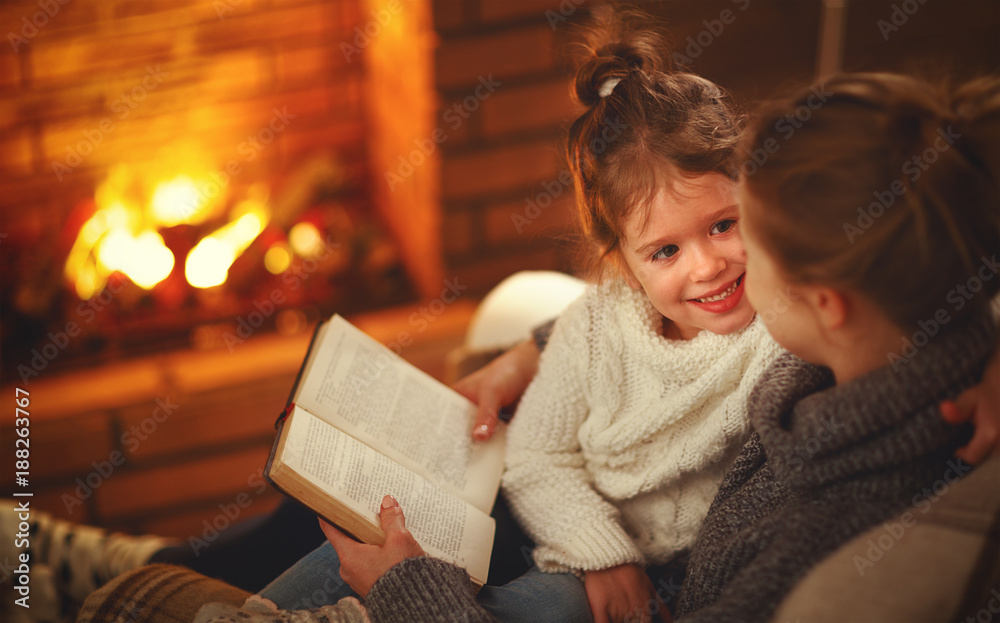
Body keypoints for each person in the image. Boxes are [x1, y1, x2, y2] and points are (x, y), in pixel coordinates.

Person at [188, 69, 999, 623]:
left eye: (742, 232)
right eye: (667, 250)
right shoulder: (880, 343)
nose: (725, 265)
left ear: (823, 299)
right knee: (338, 501)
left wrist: (408, 592)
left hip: (611, 575)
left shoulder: (827, 493)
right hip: (546, 494)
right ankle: (175, 569)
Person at [254, 8, 786, 621]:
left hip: (657, 582)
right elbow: (537, 455)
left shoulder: (782, 335)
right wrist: (601, 550)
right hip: (568, 528)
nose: (706, 267)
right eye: (665, 250)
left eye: (724, 225)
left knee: (546, 609)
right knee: (363, 536)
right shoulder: (597, 322)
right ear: (621, 262)